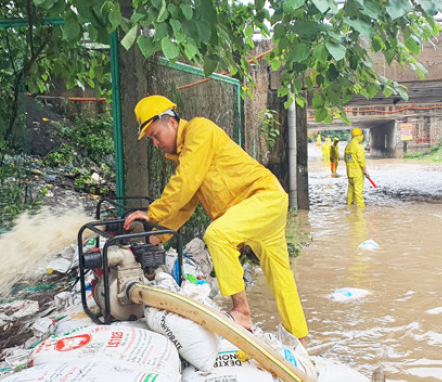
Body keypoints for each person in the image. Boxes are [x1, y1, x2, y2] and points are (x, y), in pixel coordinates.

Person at [123, 95, 309, 342]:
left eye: (155, 135)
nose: (155, 143)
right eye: (151, 139)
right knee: (279, 275)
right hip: (264, 204)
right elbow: (185, 204)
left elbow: (184, 183)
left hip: (262, 199)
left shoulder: (199, 131)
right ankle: (299, 338)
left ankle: (242, 312)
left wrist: (152, 213)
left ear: (170, 121)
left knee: (217, 234)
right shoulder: (189, 153)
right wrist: (156, 237)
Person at [344, 127, 370, 207]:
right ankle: (361, 209)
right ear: (359, 136)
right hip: (357, 173)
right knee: (358, 192)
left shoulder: (348, 146)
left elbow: (345, 159)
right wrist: (366, 172)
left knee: (350, 191)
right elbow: (361, 161)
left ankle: (349, 206)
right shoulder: (359, 147)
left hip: (349, 173)